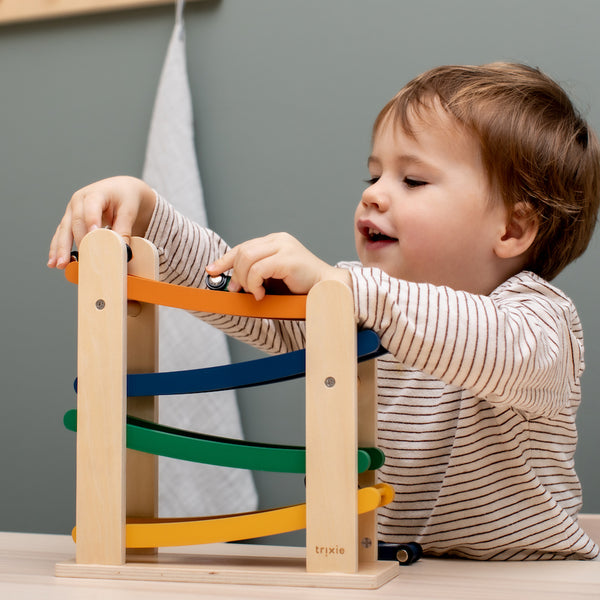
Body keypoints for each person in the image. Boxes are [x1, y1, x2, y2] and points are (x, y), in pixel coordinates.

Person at [48, 62, 600, 560]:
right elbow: (242, 302)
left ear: (513, 228)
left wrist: (345, 288)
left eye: (412, 180)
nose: (375, 195)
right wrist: (150, 218)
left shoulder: (539, 320)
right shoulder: (357, 299)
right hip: (390, 570)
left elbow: (494, 348)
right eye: (374, 175)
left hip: (531, 580)